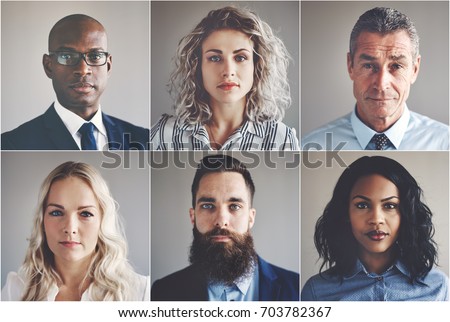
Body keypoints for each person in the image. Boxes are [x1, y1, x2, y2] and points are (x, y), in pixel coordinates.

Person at [151, 155, 299, 301]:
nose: (221, 221)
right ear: (193, 216)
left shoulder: (296, 289)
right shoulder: (162, 292)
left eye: (234, 206)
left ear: (250, 217)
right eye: (208, 206)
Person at [150, 6, 299, 150]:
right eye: (215, 58)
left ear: (257, 65)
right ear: (198, 66)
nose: (228, 72)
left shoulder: (282, 139)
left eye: (240, 57)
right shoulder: (164, 135)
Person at [301, 156, 448, 301]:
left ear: (406, 213)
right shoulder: (316, 292)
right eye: (362, 205)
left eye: (390, 206)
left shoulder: (439, 286)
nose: (376, 219)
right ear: (346, 213)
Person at [301, 7, 449, 150]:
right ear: (350, 65)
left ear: (414, 69)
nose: (381, 84)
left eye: (396, 66)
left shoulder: (445, 142)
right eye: (369, 66)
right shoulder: (310, 147)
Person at [1, 161, 149, 301]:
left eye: (85, 214)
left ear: (102, 221)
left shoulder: (142, 292)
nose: (70, 229)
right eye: (56, 213)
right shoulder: (17, 289)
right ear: (42, 221)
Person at [1, 14, 149, 150]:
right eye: (66, 56)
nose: (83, 69)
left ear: (108, 65)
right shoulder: (12, 144)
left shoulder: (144, 140)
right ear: (48, 66)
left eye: (95, 56)